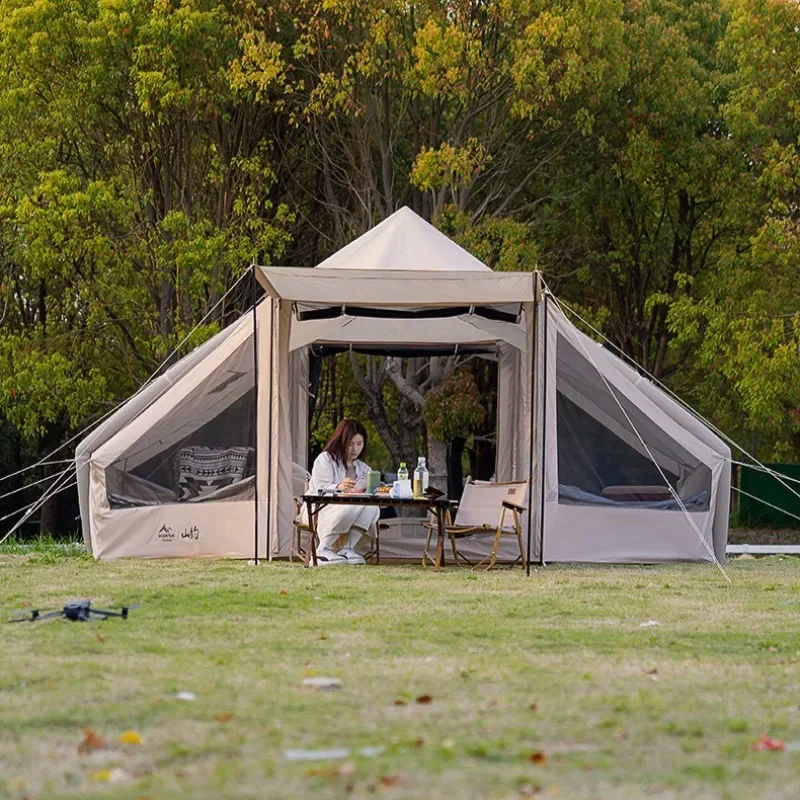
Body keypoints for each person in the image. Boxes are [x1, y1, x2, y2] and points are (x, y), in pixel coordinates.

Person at [307, 419, 380, 565]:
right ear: (341, 441)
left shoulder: (364, 469)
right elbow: (319, 488)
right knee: (353, 503)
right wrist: (339, 486)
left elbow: (367, 490)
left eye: (359, 444)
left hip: (352, 506)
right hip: (321, 507)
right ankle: (323, 549)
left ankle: (347, 548)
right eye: (350, 444)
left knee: (372, 506)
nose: (355, 449)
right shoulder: (325, 460)